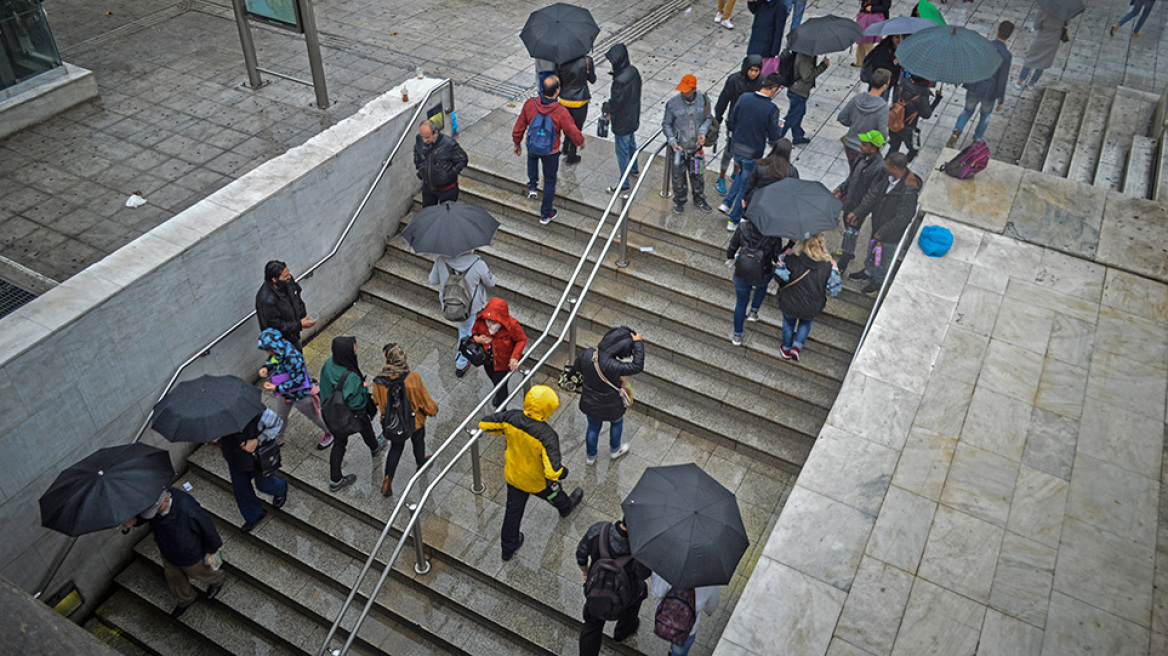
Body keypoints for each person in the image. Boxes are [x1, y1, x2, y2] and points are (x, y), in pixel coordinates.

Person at [480, 385, 583, 561]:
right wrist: (563, 471)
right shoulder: (547, 435)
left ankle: (508, 548)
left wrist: (504, 430)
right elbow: (553, 472)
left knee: (513, 513)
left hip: (514, 475)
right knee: (554, 493)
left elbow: (485, 424)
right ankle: (565, 507)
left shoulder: (512, 416)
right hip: (537, 481)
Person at [140, 488, 224, 618]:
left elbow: (207, 528)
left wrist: (212, 549)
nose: (155, 513)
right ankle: (186, 598)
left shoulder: (187, 509)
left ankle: (217, 580)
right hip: (168, 550)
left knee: (200, 572)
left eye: (157, 510)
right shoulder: (156, 503)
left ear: (166, 500)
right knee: (173, 577)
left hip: (190, 552)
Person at [512, 75, 586, 225]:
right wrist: (580, 142)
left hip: (532, 145)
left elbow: (520, 125)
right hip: (550, 151)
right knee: (550, 180)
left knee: (531, 160)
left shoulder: (530, 104)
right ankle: (546, 214)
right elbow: (571, 130)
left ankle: (533, 186)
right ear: (557, 91)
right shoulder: (560, 111)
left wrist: (517, 143)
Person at [576, 517, 652, 655]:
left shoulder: (599, 530)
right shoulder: (640, 550)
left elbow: (581, 554)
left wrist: (585, 572)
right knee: (642, 591)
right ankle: (622, 632)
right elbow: (642, 575)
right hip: (624, 596)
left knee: (592, 626)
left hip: (596, 593)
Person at [319, 336, 385, 492]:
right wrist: (363, 387)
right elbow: (357, 404)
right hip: (348, 414)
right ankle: (374, 448)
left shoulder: (328, 363)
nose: (356, 350)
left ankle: (336, 479)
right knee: (363, 426)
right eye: (354, 348)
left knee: (340, 443)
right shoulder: (351, 377)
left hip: (330, 413)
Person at [848, 152, 921, 294]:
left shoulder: (908, 191)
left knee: (884, 259)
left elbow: (902, 218)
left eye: (888, 164)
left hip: (890, 235)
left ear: (893, 167)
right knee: (872, 251)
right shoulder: (887, 178)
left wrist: (883, 231)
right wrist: (858, 212)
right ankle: (868, 272)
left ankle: (878, 280)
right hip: (878, 226)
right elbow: (872, 195)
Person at [372, 343, 437, 497]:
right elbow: (424, 400)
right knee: (418, 442)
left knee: (396, 448)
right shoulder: (413, 377)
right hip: (415, 421)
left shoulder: (379, 380)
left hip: (393, 423)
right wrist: (432, 410)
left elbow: (376, 400)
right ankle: (421, 463)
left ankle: (388, 479)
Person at [722, 73, 783, 231]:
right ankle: (734, 220)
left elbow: (733, 119)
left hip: (737, 147)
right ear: (774, 89)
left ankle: (727, 202)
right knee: (745, 186)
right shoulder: (772, 109)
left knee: (741, 174)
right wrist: (779, 128)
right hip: (753, 151)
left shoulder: (744, 98)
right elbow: (773, 136)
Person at [575, 326, 644, 464]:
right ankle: (614, 450)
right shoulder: (615, 365)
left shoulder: (588, 354)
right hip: (612, 403)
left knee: (593, 427)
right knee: (616, 422)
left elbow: (577, 368)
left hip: (590, 401)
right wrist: (638, 343)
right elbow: (637, 366)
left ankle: (591, 457)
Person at [257, 328, 333, 450]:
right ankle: (278, 437)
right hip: (284, 392)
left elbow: (299, 381)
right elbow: (272, 360)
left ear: (274, 347)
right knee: (281, 415)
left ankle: (330, 432)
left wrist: (276, 387)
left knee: (315, 416)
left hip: (300, 394)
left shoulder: (293, 358)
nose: (266, 353)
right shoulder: (279, 349)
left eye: (267, 349)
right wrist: (266, 367)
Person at [216, 409, 287, 533]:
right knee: (241, 489)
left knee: (265, 485)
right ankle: (254, 515)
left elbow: (277, 423)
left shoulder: (257, 411)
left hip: (258, 457)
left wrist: (257, 440)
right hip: (236, 458)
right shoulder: (217, 415)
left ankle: (281, 489)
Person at [428, 251, 495, 377]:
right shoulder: (478, 264)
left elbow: (432, 280)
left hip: (449, 305)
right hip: (470, 308)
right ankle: (462, 363)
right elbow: (491, 282)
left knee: (465, 330)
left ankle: (465, 357)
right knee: (466, 333)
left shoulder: (441, 260)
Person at [775, 234, 840, 361]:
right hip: (812, 305)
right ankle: (797, 347)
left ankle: (786, 348)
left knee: (788, 322)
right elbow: (835, 288)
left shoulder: (792, 259)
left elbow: (780, 278)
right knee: (806, 322)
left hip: (790, 302)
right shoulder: (828, 266)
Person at [948, 21, 1013, 148]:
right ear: (1009, 36)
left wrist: (960, 77)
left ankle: (957, 131)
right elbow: (1002, 78)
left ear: (997, 31)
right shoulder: (1006, 55)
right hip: (990, 91)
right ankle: (976, 140)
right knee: (985, 115)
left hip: (975, 84)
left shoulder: (983, 45)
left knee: (967, 110)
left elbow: (971, 63)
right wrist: (1001, 99)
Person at [832, 130, 887, 274]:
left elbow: (872, 195)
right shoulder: (861, 157)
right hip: (849, 202)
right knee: (847, 228)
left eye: (864, 144)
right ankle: (847, 252)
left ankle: (843, 264)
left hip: (859, 208)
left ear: (874, 148)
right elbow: (852, 178)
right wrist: (841, 188)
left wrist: (858, 213)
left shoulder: (880, 168)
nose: (860, 146)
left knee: (851, 232)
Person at [662, 74, 714, 215]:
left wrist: (703, 132)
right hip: (678, 150)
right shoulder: (672, 104)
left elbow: (709, 118)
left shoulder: (704, 101)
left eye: (687, 90)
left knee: (698, 175)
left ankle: (699, 199)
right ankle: (679, 201)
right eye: (682, 90)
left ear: (694, 89)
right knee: (678, 178)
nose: (683, 93)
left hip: (697, 149)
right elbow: (666, 124)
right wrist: (672, 141)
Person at [726, 216, 782, 346]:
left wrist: (731, 258)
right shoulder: (774, 234)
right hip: (763, 271)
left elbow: (732, 247)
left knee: (741, 303)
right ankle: (754, 311)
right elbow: (776, 257)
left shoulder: (743, 227)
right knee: (761, 288)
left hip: (742, 270)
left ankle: (737, 335)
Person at [714, 55, 763, 195]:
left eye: (756, 70)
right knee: (729, 151)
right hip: (734, 122)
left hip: (750, 123)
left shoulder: (762, 81)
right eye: (751, 70)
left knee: (742, 152)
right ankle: (721, 177)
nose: (753, 73)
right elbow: (724, 99)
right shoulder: (734, 80)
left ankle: (736, 173)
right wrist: (717, 119)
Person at [471, 297, 528, 410]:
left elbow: (521, 339)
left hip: (503, 364)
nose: (489, 324)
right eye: (489, 320)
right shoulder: (482, 321)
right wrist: (478, 340)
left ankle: (501, 407)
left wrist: (515, 357)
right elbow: (474, 332)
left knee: (501, 386)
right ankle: (499, 396)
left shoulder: (512, 325)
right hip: (487, 361)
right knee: (494, 380)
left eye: (494, 321)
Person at [602, 44, 643, 196]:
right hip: (632, 117)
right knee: (632, 143)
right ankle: (635, 168)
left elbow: (616, 103)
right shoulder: (633, 72)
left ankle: (624, 182)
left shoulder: (619, 81)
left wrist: (606, 106)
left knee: (622, 151)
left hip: (622, 121)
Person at [649, 574, 722, 656]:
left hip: (665, 617)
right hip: (688, 628)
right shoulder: (710, 580)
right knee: (679, 652)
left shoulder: (670, 566)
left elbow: (657, 591)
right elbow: (711, 607)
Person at [256, 260, 314, 350]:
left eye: (288, 273)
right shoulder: (266, 301)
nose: (289, 277)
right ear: (274, 279)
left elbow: (297, 296)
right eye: (285, 276)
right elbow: (276, 326)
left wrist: (301, 314)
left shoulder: (288, 282)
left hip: (293, 333)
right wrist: (298, 325)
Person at [838, 68, 890, 167]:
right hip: (867, 149)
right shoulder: (882, 107)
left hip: (850, 144)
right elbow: (882, 134)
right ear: (884, 86)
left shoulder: (857, 98)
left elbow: (842, 117)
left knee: (853, 173)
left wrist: (854, 124)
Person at [413, 119, 468, 207]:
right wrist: (421, 169)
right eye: (422, 136)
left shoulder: (449, 144)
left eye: (427, 137)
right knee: (428, 213)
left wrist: (449, 174)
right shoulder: (419, 140)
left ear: (435, 133)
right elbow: (417, 153)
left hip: (447, 190)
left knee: (446, 215)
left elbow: (462, 159)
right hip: (428, 188)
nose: (424, 140)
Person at [889, 75, 942, 162]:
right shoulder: (922, 97)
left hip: (894, 123)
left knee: (893, 147)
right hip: (909, 128)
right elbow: (926, 114)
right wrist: (937, 100)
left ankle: (885, 167)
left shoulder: (900, 87)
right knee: (914, 149)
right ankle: (901, 167)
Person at [780, 51, 829, 146]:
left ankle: (797, 136)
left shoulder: (802, 52)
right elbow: (808, 76)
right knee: (791, 117)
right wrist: (823, 66)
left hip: (797, 90)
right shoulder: (805, 57)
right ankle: (776, 134)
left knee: (798, 114)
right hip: (798, 92)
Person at [557, 54, 596, 165]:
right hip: (580, 101)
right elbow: (592, 79)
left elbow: (558, 79)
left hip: (564, 99)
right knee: (577, 127)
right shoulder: (587, 61)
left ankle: (565, 147)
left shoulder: (561, 61)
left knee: (567, 125)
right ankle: (571, 155)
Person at [742, 139, 800, 210]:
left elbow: (750, 183)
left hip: (756, 200)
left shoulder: (761, 165)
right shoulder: (792, 172)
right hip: (777, 206)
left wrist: (744, 198)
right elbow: (794, 192)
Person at [1016, 8, 1063, 90]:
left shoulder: (1045, 10)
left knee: (1030, 60)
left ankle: (1020, 82)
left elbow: (1037, 25)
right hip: (1054, 40)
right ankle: (1032, 84)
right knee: (1043, 62)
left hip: (1042, 39)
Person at [860, 35, 903, 100]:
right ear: (891, 37)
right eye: (897, 37)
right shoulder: (883, 49)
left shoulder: (899, 49)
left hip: (889, 83)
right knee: (876, 102)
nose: (899, 40)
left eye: (902, 37)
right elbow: (880, 68)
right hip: (880, 82)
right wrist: (894, 63)